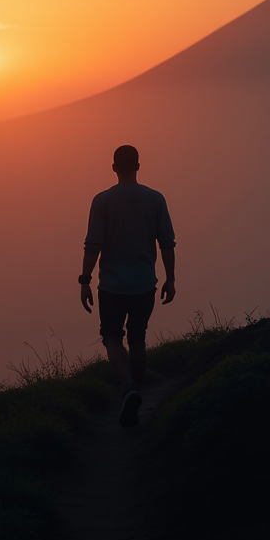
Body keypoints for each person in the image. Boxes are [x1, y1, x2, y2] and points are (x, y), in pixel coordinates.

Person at [80, 144, 175, 427]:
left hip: (111, 284)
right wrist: (171, 278)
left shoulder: (102, 201)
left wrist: (84, 280)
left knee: (112, 338)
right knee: (138, 339)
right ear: (138, 166)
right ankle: (136, 396)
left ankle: (128, 388)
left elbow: (93, 245)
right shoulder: (155, 199)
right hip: (145, 282)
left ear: (113, 167)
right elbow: (167, 243)